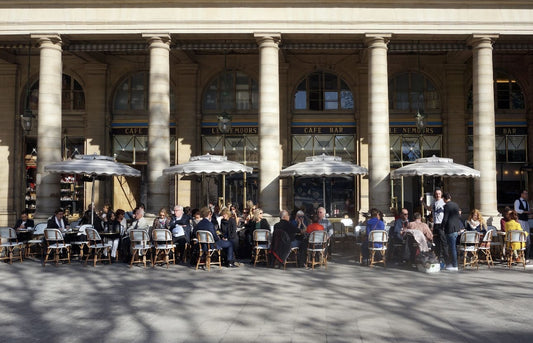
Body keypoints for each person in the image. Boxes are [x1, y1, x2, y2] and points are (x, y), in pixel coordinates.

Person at [422, 188, 447, 267]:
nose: (437, 195)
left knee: (443, 242)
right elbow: (429, 208)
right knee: (436, 242)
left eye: (439, 194)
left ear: (441, 194)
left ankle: (444, 259)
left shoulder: (443, 202)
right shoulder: (434, 202)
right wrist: (422, 202)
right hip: (435, 224)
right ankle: (438, 258)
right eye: (436, 194)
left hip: (441, 224)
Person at [442, 192, 462, 271]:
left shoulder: (447, 206)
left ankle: (454, 265)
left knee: (452, 248)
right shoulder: (456, 205)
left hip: (449, 229)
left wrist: (441, 226)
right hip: (456, 229)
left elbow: (445, 218)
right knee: (453, 247)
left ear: (444, 199)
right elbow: (458, 216)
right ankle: (454, 264)